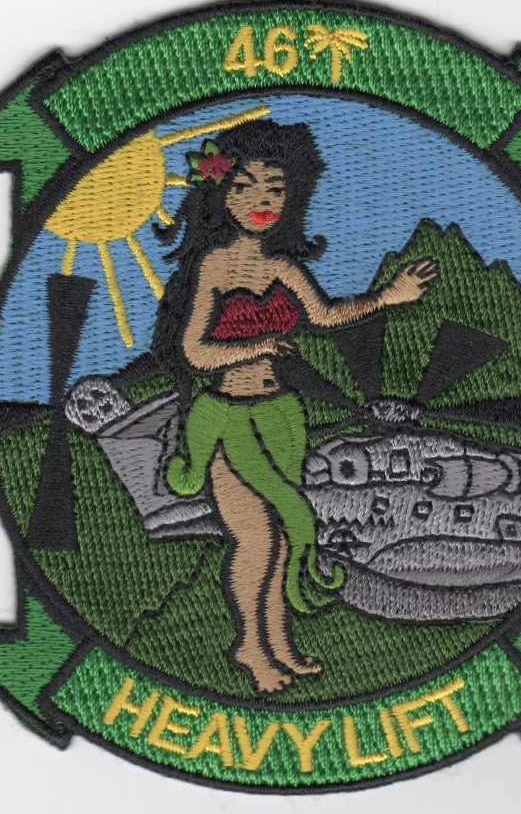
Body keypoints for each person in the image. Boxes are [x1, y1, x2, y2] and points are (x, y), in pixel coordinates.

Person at [152, 119, 438, 692]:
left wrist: (388, 297)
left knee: (281, 534)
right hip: (227, 416)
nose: (262, 201)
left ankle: (277, 641)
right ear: (220, 195)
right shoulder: (214, 266)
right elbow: (195, 352)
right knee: (255, 537)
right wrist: (257, 347)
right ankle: (250, 646)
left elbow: (326, 317)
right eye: (245, 187)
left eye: (276, 189)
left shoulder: (284, 268)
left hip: (281, 415)